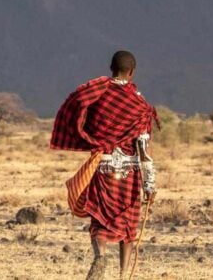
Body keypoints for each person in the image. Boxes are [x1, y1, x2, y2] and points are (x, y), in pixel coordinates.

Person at [50, 50, 158, 280]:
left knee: (100, 220)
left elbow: (80, 111)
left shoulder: (98, 96)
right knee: (128, 225)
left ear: (111, 68)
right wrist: (150, 184)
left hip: (103, 168)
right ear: (132, 72)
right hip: (130, 173)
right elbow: (143, 148)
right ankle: (122, 274)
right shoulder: (139, 104)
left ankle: (100, 257)